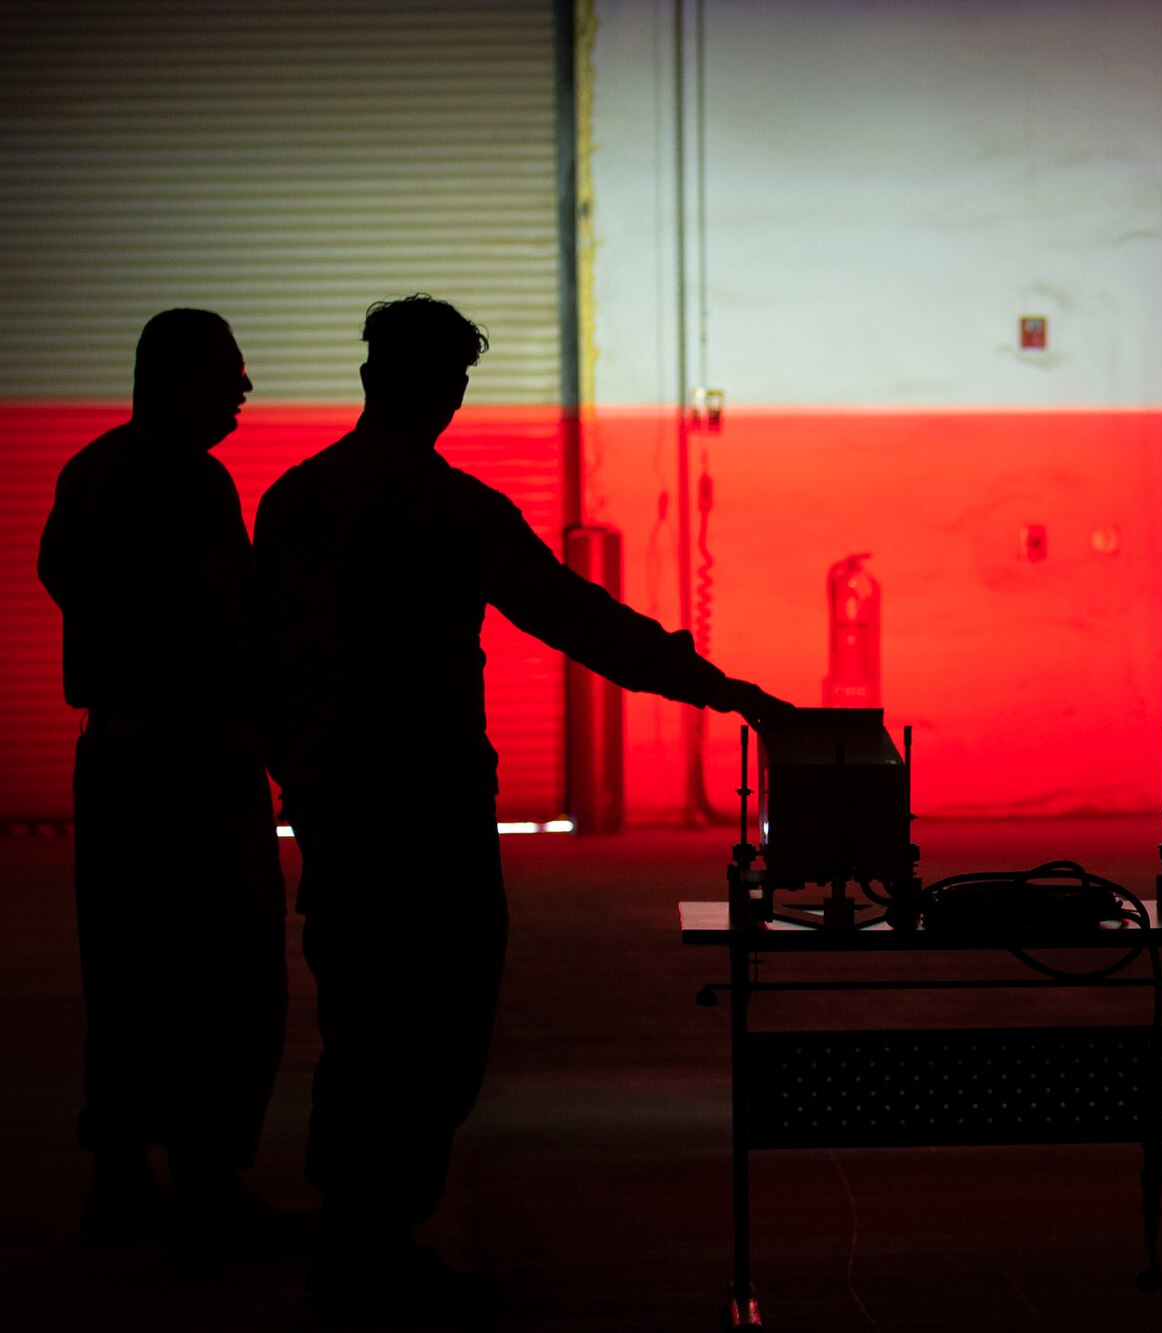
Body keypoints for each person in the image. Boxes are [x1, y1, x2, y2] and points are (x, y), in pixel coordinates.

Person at [251, 294, 791, 1316]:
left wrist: (299, 773)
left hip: (337, 809)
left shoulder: (296, 500)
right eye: (448, 379)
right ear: (442, 388)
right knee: (433, 1021)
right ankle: (378, 1244)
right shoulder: (452, 511)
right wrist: (726, 691)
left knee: (360, 1014)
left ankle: (350, 1236)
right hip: (432, 812)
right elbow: (581, 622)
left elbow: (256, 662)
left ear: (371, 377)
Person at [37, 309, 290, 1248]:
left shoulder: (92, 469)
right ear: (177, 375)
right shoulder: (193, 480)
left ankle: (119, 1177)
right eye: (229, 371)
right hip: (198, 759)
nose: (245, 388)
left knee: (126, 966)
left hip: (113, 755)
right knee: (226, 968)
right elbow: (240, 616)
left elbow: (57, 572)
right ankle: (209, 1176)